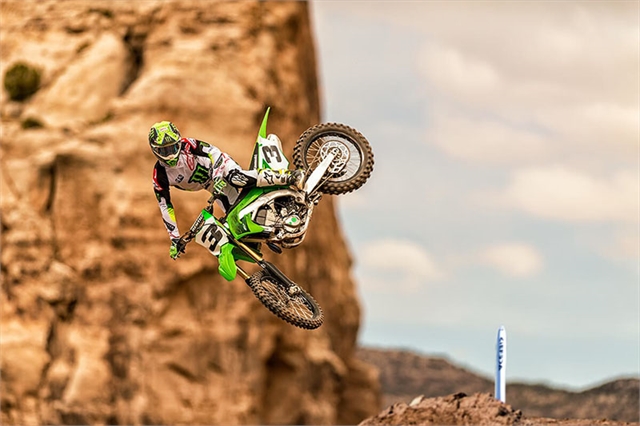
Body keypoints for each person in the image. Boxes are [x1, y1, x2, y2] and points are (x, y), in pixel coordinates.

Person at [149, 120, 302, 260]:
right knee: (236, 220)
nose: (170, 155)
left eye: (173, 148)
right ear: (155, 150)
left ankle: (289, 177)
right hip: (211, 186)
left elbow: (214, 152)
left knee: (237, 178)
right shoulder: (159, 175)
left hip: (221, 167)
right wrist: (174, 238)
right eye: (164, 151)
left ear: (178, 142)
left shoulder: (188, 145)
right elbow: (165, 206)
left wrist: (217, 176)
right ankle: (272, 229)